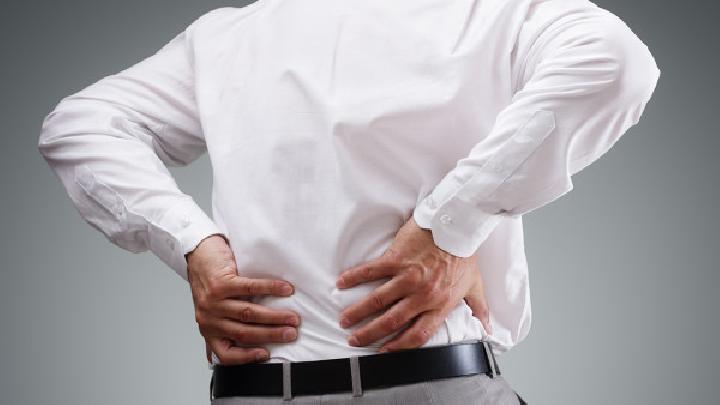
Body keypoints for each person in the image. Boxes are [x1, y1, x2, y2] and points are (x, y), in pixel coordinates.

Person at [37, 0, 660, 403]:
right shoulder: (495, 14)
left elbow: (79, 125)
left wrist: (192, 245)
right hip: (430, 382)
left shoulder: (228, 36)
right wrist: (451, 226)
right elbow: (615, 62)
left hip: (255, 388)